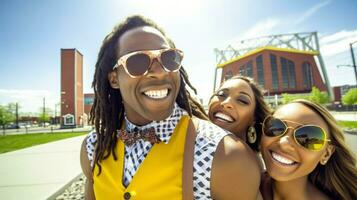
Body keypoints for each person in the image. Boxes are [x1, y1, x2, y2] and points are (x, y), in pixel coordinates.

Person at [80, 15, 261, 200]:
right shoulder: (93, 147)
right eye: (137, 61)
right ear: (114, 79)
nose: (159, 71)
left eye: (168, 58)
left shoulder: (226, 156)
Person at [260, 99, 357, 200]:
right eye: (275, 126)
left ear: (326, 154)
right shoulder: (246, 180)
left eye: (308, 137)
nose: (284, 143)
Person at [208, 75, 271, 151]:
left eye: (242, 100)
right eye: (221, 94)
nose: (226, 103)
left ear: (254, 118)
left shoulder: (248, 160)